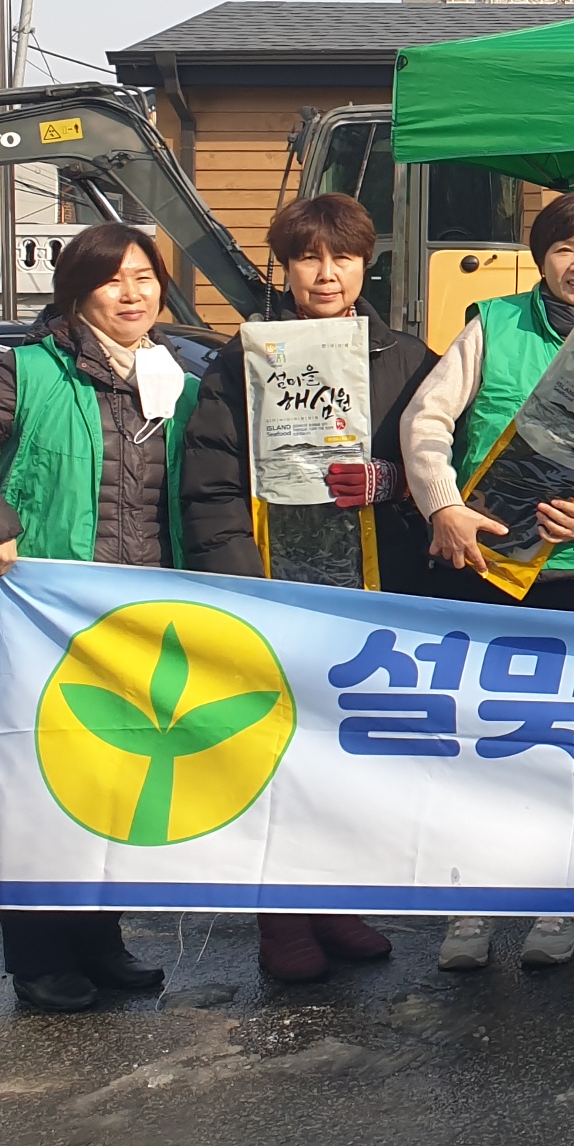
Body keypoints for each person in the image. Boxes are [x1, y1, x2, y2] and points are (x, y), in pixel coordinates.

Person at [0, 223, 203, 1014]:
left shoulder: (176, 380)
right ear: (77, 293)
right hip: (44, 625)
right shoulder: (29, 372)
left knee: (111, 783)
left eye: (145, 277)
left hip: (141, 622)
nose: (132, 293)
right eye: (112, 279)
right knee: (35, 788)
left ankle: (99, 941)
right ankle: (37, 957)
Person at [180, 192, 435, 986]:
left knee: (349, 758)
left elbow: (444, 464)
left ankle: (333, 899)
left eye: (343, 258)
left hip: (375, 592)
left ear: (367, 265)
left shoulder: (406, 358)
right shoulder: (244, 358)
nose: (326, 274)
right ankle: (280, 915)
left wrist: (395, 482)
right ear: (285, 268)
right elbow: (211, 481)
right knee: (279, 752)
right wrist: (243, 586)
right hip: (276, 587)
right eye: (308, 258)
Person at [399, 188, 574, 974]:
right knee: (475, 739)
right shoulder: (493, 324)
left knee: (565, 743)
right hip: (480, 563)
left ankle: (559, 898)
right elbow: (426, 423)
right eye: (565, 247)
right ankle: (468, 903)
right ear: (542, 256)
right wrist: (443, 506)